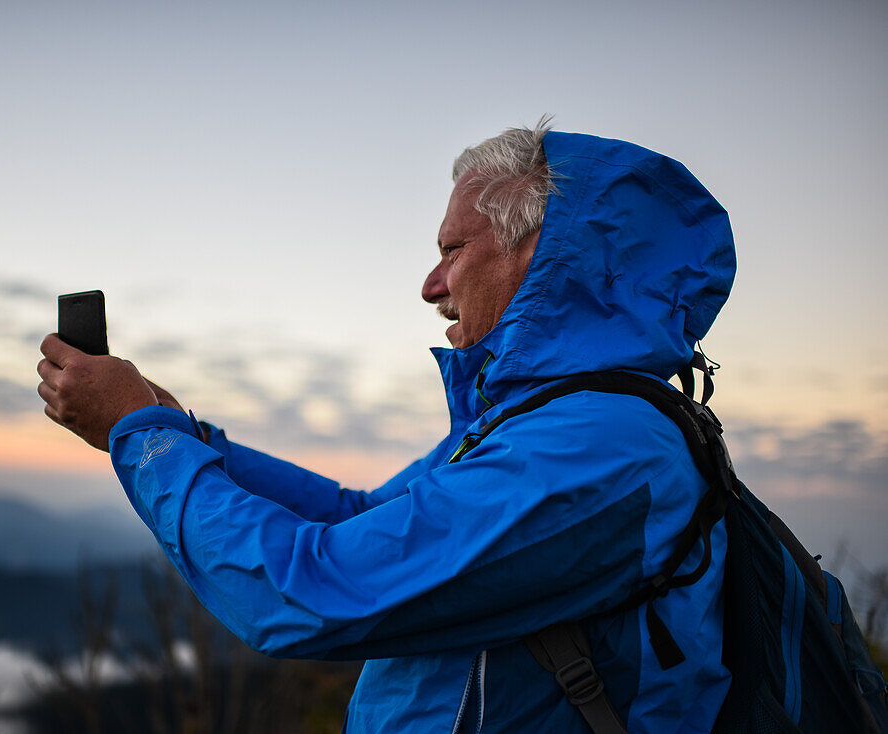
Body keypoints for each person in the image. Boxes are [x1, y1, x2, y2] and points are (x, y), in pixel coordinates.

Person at [37, 120, 737, 733]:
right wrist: (180, 430)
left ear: (541, 253)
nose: (431, 286)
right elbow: (359, 516)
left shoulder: (596, 450)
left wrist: (141, 435)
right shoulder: (541, 425)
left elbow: (309, 590)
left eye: (453, 250)